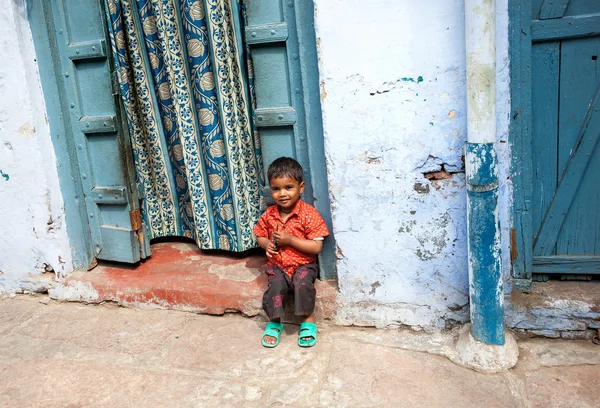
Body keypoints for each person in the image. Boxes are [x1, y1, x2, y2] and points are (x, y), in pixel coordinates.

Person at [253, 157, 330, 348]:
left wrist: (290, 240)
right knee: (275, 286)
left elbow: (316, 246)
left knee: (303, 283)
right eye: (276, 189)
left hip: (303, 264)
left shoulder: (308, 214)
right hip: (278, 265)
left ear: (300, 187)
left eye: (289, 187)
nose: (282, 194)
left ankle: (308, 319)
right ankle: (275, 321)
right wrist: (265, 244)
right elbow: (259, 235)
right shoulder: (269, 214)